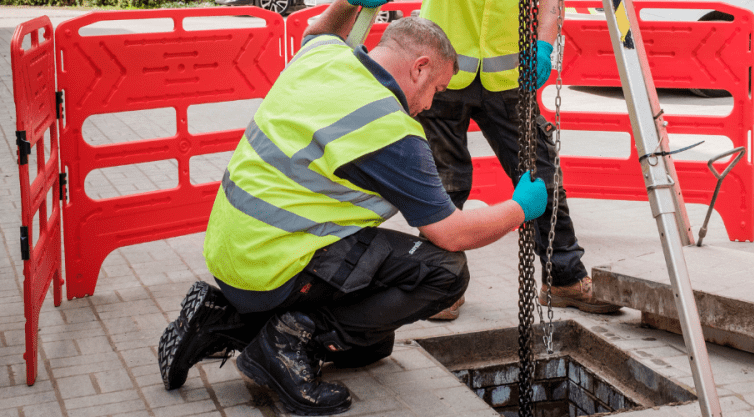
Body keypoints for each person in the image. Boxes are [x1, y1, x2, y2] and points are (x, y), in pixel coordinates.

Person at [156, 2, 551, 415]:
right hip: (274, 266)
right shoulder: (390, 128)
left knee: (372, 342)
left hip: (233, 255)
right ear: (418, 68)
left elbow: (318, 30)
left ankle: (221, 320)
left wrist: (349, 3)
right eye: (437, 87)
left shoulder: (325, 56)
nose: (432, 104)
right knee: (445, 272)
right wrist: (518, 209)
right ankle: (284, 344)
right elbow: (451, 233)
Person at [416, 0, 621, 320]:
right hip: (443, 70)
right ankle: (443, 285)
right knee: (445, 182)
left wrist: (543, 46)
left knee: (542, 176)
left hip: (507, 76)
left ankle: (563, 278)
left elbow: (550, 4)